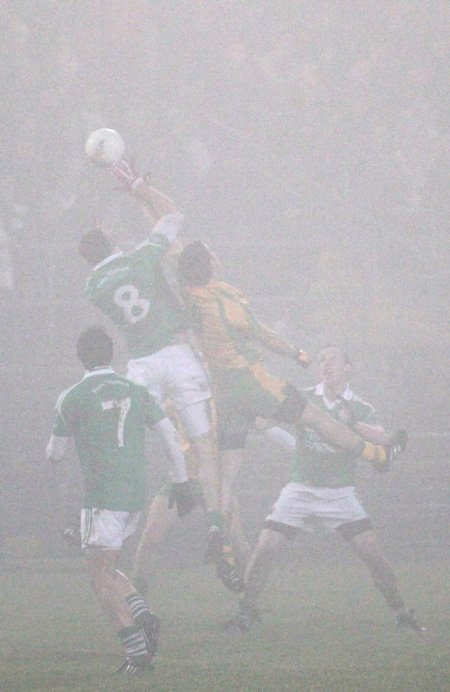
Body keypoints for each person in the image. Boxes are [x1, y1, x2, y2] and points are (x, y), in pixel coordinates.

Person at [176, 241, 408, 585]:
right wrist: (295, 353)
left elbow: (177, 259)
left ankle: (218, 534)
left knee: (228, 472)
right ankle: (378, 454)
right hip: (249, 380)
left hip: (222, 392)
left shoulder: (185, 295)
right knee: (317, 418)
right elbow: (261, 333)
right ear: (210, 265)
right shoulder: (224, 297)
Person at [78, 160, 235, 586]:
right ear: (111, 241)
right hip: (178, 354)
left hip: (143, 364)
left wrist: (105, 242)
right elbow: (174, 218)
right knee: (206, 447)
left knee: (124, 441)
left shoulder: (93, 287)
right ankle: (216, 526)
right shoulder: (143, 260)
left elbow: (106, 265)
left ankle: (104, 523)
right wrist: (139, 189)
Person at [224, 344, 423, 633]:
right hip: (301, 489)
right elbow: (270, 417)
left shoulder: (361, 407)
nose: (326, 365)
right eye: (321, 360)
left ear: (347, 367)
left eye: (333, 359)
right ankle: (246, 612)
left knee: (373, 556)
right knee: (265, 549)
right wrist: (252, 415)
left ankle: (402, 613)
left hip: (339, 493)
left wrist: (351, 422)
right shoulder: (304, 397)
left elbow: (382, 439)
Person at [45, 326, 195, 674]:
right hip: (134, 497)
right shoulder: (137, 391)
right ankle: (144, 613)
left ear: (80, 355)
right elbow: (172, 437)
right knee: (110, 569)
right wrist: (182, 482)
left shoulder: (73, 396)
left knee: (99, 578)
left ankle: (137, 653)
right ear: (111, 354)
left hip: (103, 498)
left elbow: (55, 454)